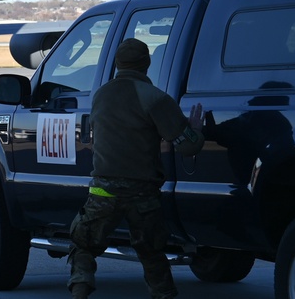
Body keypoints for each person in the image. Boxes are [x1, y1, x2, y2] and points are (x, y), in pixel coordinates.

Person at [67, 38, 204, 299]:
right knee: (151, 253)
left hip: (103, 191)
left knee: (83, 245)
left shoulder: (101, 95)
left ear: (118, 63)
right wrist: (195, 129)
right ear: (147, 64)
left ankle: (79, 293)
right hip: (142, 194)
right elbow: (188, 146)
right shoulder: (155, 98)